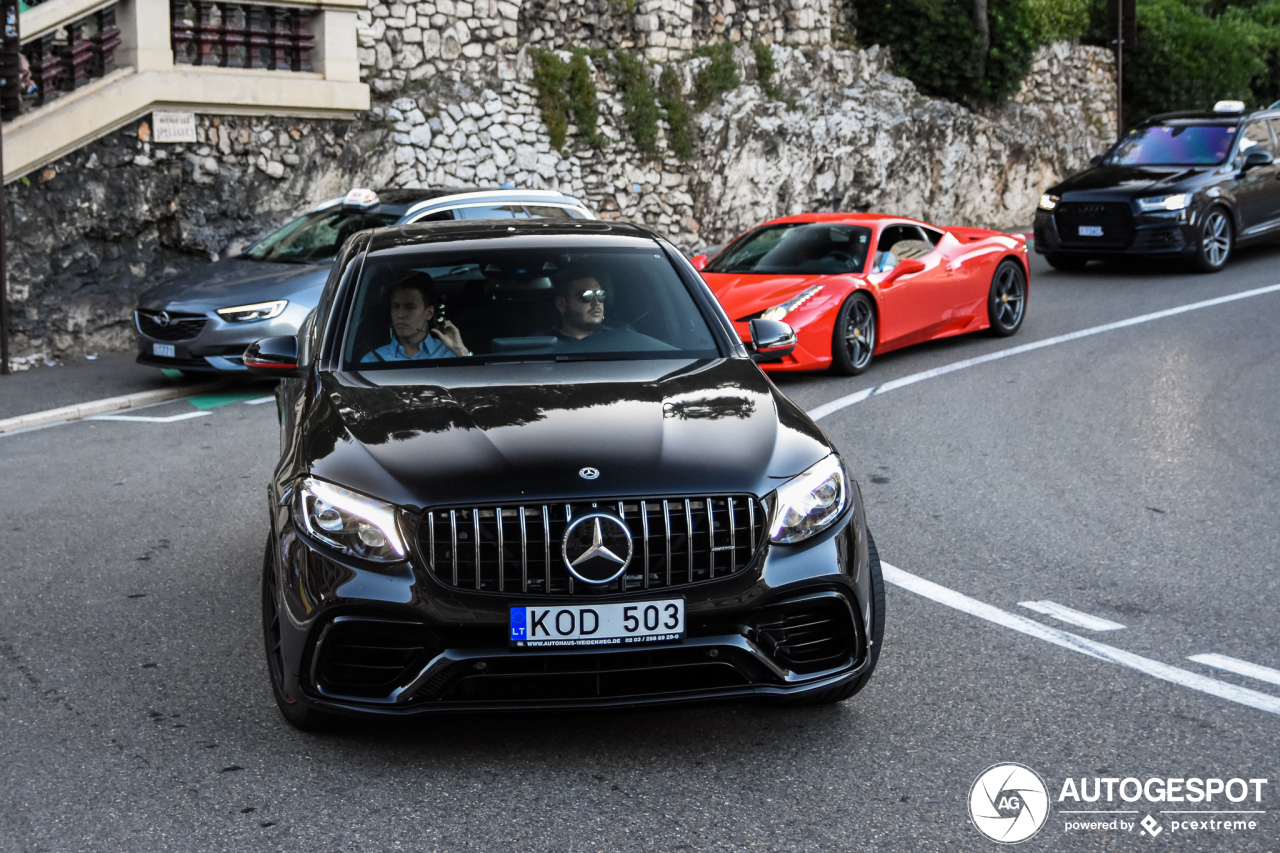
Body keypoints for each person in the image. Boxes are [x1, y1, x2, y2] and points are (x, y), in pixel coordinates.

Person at [362, 271, 470, 362]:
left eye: (410, 307)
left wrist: (460, 351)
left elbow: (471, 384)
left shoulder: (451, 354)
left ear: (429, 313)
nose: (400, 315)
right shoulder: (373, 359)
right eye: (396, 306)